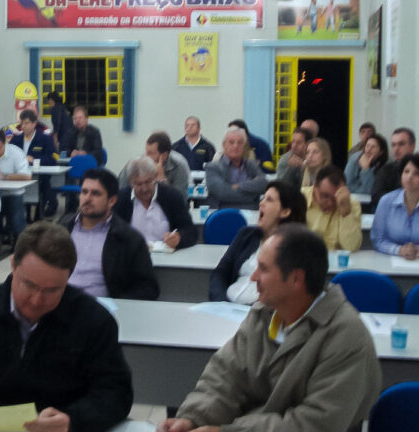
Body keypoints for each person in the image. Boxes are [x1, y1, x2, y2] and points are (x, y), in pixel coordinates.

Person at [159, 224, 381, 432]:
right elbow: (225, 376)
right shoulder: (263, 314)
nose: (253, 277)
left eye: (263, 269)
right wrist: (193, 418)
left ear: (296, 279)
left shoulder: (346, 337)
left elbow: (312, 424)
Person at [0, 220, 133, 432]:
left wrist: (73, 420)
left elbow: (116, 392)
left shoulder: (94, 320)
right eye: (29, 285)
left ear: (68, 277)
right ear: (13, 265)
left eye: (52, 290)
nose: (36, 300)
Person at [60, 169, 159, 300]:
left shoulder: (128, 238)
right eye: (84, 192)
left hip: (101, 307)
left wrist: (118, 303)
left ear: (111, 201)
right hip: (59, 303)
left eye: (95, 194)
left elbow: (148, 287)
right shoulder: (62, 229)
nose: (87, 198)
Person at [209, 181, 307, 302]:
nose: (261, 203)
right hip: (225, 304)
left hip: (259, 310)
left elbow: (285, 294)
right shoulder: (247, 235)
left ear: (285, 212)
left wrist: (254, 311)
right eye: (263, 198)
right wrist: (221, 302)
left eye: (269, 200)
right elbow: (220, 273)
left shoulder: (295, 249)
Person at [371, 153, 419, 259]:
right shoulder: (386, 201)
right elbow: (378, 240)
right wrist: (399, 250)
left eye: (417, 174)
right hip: (389, 260)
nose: (410, 177)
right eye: (406, 171)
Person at [114, 156, 196, 251]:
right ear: (131, 182)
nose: (144, 189)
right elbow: (110, 233)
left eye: (148, 182)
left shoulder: (172, 196)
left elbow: (191, 231)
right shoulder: (120, 199)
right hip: (132, 256)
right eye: (138, 184)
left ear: (155, 177)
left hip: (167, 256)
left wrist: (179, 238)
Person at [0, 128, 31, 241]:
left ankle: (20, 242)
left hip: (12, 194)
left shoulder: (16, 153)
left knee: (17, 221)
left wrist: (4, 176)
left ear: (5, 143)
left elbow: (27, 176)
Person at [303, 165, 362, 251]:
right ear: (315, 186)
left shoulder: (351, 204)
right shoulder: (299, 198)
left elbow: (351, 247)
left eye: (335, 198)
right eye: (325, 196)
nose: (330, 203)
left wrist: (346, 213)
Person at [205, 127, 267, 209]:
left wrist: (239, 185)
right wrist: (252, 195)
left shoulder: (251, 165)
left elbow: (264, 184)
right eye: (231, 142)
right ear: (224, 145)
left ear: (244, 146)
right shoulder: (213, 167)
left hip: (252, 213)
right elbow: (223, 193)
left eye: (240, 143)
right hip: (223, 213)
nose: (235, 146)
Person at [10, 109, 57, 215]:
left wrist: (34, 160)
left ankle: (39, 212)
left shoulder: (45, 139)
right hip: (19, 175)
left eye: (26, 123)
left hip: (39, 176)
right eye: (21, 123)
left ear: (34, 123)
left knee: (43, 184)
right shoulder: (16, 139)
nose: (23, 126)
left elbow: (51, 159)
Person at [118, 131, 190, 196]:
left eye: (150, 153)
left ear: (164, 155)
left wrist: (161, 179)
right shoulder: (136, 164)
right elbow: (120, 192)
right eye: (146, 152)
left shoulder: (179, 165)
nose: (146, 156)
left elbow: (180, 200)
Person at [371, 127, 416, 208]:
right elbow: (376, 196)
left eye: (401, 144)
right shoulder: (385, 170)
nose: (396, 149)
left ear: (412, 146)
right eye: (393, 145)